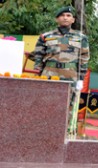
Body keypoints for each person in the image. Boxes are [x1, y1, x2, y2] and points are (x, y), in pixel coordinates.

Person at [30, 6, 90, 134]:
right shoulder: (46, 36)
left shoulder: (81, 37)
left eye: (68, 15)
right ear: (57, 19)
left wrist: (81, 78)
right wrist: (37, 74)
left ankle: (61, 134)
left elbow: (84, 58)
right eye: (62, 15)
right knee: (44, 103)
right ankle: (41, 132)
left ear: (73, 20)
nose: (65, 18)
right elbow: (38, 56)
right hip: (49, 74)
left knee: (67, 105)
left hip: (70, 75)